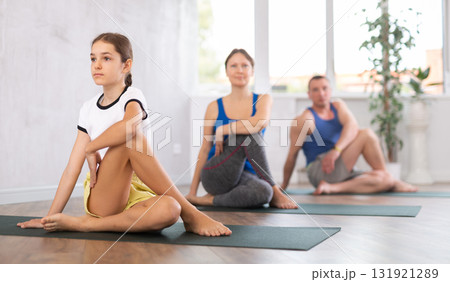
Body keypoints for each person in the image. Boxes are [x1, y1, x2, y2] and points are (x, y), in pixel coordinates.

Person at [17, 32, 231, 237]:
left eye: (106, 58)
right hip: (104, 191)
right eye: (93, 59)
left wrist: (91, 147)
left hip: (138, 191)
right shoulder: (88, 109)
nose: (97, 65)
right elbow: (72, 169)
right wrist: (50, 217)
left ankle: (89, 224)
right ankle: (192, 214)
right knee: (131, 140)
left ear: (126, 65)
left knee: (170, 209)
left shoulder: (133, 96)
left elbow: (130, 123)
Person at [186, 49, 297, 209]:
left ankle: (208, 201)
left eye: (245, 66)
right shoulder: (214, 107)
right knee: (249, 135)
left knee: (264, 192)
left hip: (247, 176)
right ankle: (275, 190)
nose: (239, 70)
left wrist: (223, 129)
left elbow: (260, 122)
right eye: (234, 66)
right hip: (216, 174)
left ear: (252, 71)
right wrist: (192, 192)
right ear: (226, 71)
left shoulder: (263, 99)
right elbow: (205, 149)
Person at [281, 75, 418, 194]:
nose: (321, 93)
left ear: (330, 91)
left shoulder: (338, 106)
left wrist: (336, 151)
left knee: (385, 179)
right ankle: (392, 181)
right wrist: (283, 186)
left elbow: (353, 127)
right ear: (309, 94)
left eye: (324, 88)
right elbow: (292, 156)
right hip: (321, 169)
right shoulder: (304, 119)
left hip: (339, 163)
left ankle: (332, 188)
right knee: (366, 135)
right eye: (315, 90)